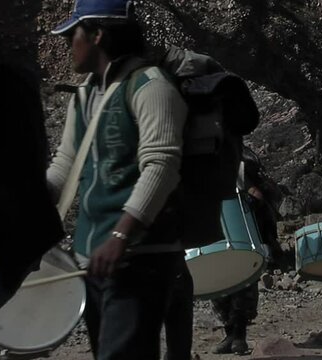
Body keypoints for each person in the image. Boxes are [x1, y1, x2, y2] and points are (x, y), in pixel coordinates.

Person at [47, 1, 191, 359]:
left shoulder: (152, 87)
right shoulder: (83, 96)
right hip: (92, 259)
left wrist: (120, 235)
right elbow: (65, 167)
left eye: (72, 35)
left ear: (97, 35)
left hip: (140, 258)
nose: (67, 44)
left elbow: (161, 165)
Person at [211, 145, 283, 354]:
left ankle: (239, 336)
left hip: (242, 238)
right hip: (220, 239)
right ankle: (229, 335)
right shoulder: (209, 173)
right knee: (220, 288)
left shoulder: (239, 170)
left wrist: (248, 200)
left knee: (241, 287)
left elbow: (257, 196)